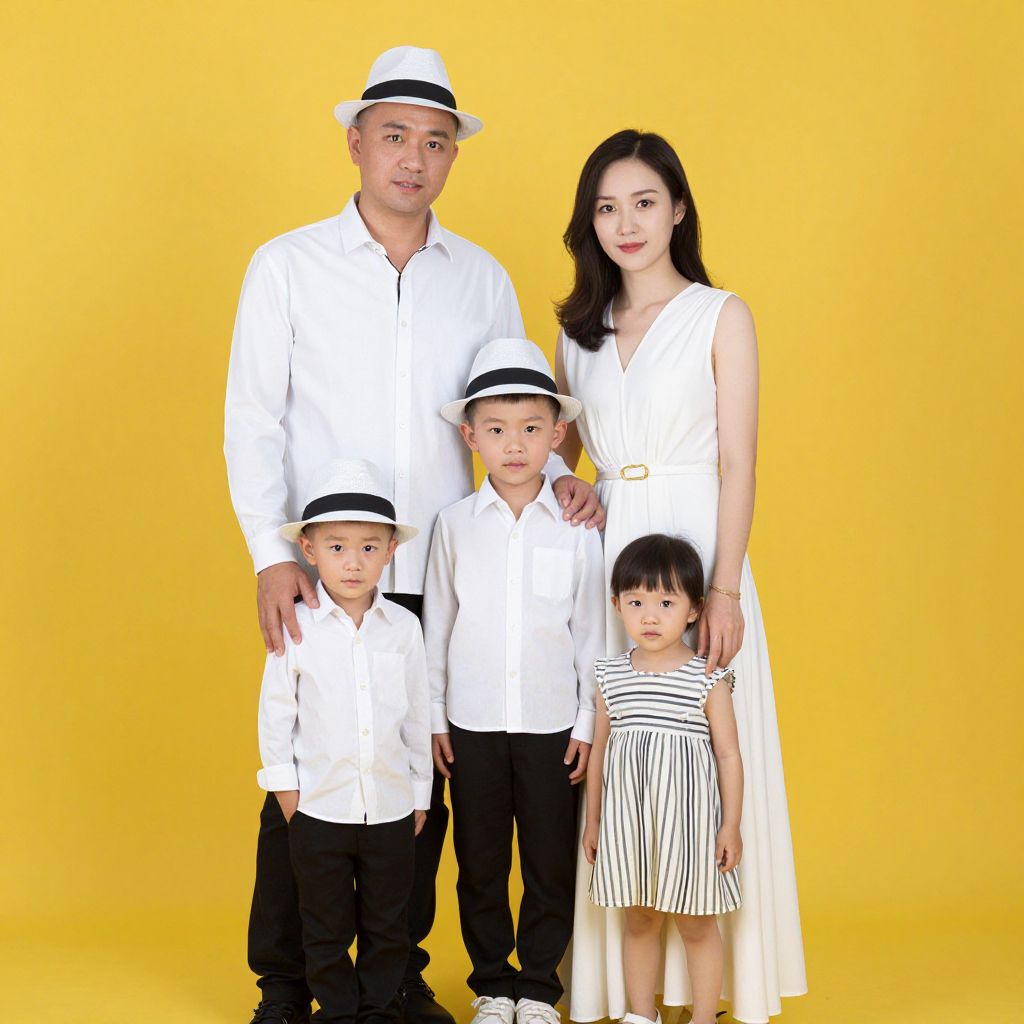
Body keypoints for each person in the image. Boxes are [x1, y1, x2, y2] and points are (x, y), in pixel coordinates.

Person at [225, 47, 602, 1024]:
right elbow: (253, 420)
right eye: (394, 135)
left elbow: (512, 415)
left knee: (417, 787)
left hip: (443, 570)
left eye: (435, 142)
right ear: (355, 142)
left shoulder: (480, 279)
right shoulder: (287, 265)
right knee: (305, 779)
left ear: (451, 157)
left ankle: (394, 979)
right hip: (328, 569)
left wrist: (565, 482)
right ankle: (287, 983)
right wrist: (271, 553)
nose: (413, 158)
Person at [554, 130, 806, 1022]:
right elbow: (560, 459)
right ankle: (623, 992)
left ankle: (711, 988)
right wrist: (577, 488)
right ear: (590, 222)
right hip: (615, 563)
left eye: (644, 203)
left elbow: (739, 462)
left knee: (711, 746)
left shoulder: (720, 314)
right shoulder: (577, 333)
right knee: (622, 749)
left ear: (678, 210)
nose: (626, 223)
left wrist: (725, 588)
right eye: (607, 207)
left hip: (702, 550)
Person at [422, 338, 606, 1024]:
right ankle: (493, 987)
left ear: (557, 436)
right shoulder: (453, 527)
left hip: (552, 723)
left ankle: (538, 989)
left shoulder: (577, 530)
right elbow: (438, 624)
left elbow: (591, 635)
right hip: (471, 722)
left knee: (549, 862)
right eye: (496, 430)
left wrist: (586, 723)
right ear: (471, 437)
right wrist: (435, 716)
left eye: (531, 428)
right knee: (480, 863)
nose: (515, 445)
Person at [258, 459, 432, 1024]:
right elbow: (276, 715)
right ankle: (334, 1012)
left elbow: (416, 714)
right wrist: (288, 794)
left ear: (391, 552)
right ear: (309, 550)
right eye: (336, 547)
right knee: (324, 922)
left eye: (368, 547)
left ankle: (378, 1010)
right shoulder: (297, 628)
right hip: (319, 808)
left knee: (387, 921)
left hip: (389, 807)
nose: (353, 562)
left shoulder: (404, 628)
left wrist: (420, 794)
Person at [583, 534, 743, 1024]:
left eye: (666, 603)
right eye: (636, 602)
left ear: (694, 610)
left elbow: (728, 754)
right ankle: (640, 1014)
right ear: (617, 606)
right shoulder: (610, 675)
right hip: (629, 824)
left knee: (697, 923)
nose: (649, 616)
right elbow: (599, 755)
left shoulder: (707, 677)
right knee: (640, 919)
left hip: (689, 827)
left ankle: (702, 1017)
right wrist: (593, 822)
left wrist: (730, 826)